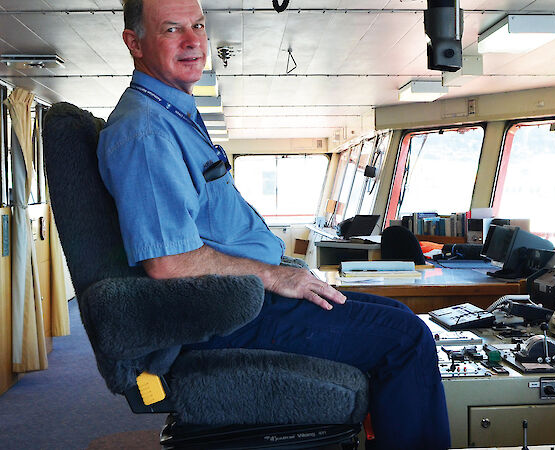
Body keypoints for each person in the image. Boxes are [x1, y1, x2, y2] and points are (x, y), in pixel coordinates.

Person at [96, 0, 451, 448]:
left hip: (242, 299)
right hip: (224, 315)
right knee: (406, 338)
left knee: (398, 314)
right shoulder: (145, 133)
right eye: (171, 29)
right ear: (135, 43)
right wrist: (275, 275)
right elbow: (168, 263)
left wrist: (284, 271)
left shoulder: (172, 115)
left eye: (198, 26)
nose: (193, 42)